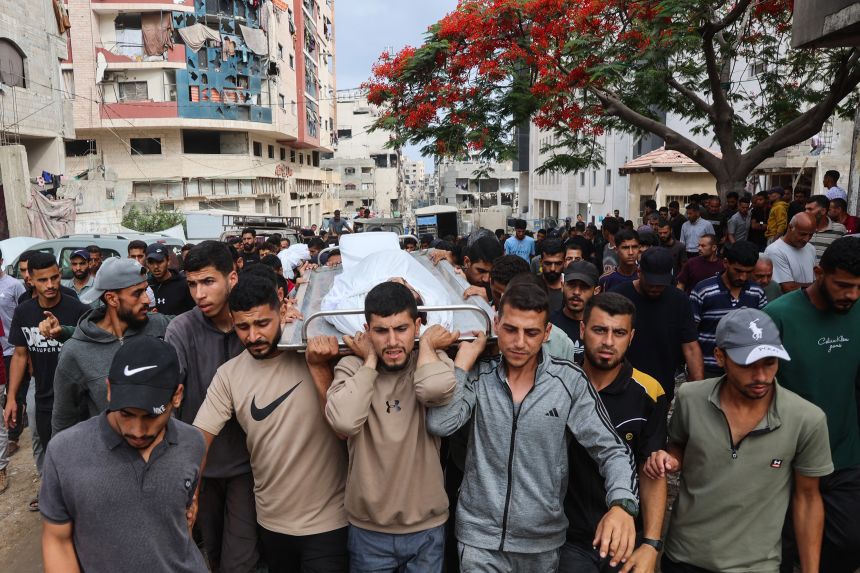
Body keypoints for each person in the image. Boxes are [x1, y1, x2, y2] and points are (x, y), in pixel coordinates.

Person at [426, 281, 639, 571]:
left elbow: (612, 450)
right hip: (479, 539)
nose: (519, 342)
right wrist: (461, 366)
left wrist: (622, 504)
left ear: (547, 333)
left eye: (531, 332)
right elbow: (441, 424)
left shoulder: (568, 381)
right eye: (511, 329)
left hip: (541, 543)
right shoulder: (479, 375)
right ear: (496, 324)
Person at [645, 308, 832, 573]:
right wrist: (670, 459)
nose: (761, 376)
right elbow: (679, 445)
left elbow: (808, 499)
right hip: (684, 558)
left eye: (770, 362)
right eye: (748, 364)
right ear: (720, 356)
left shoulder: (806, 419)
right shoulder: (690, 398)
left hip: (757, 566)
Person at [193, 274, 349, 571]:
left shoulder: (317, 352)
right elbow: (199, 440)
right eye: (243, 327)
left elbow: (343, 427)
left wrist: (319, 367)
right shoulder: (229, 375)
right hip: (271, 524)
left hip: (330, 523)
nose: (253, 336)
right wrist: (190, 496)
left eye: (262, 323)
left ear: (283, 310)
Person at [40, 335, 208, 573]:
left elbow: (182, 519)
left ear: (177, 396)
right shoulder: (64, 452)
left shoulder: (193, 442)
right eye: (126, 414)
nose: (137, 431)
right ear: (109, 390)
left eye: (151, 416)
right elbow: (57, 540)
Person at [320, 282, 456, 571]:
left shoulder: (430, 361)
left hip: (426, 529)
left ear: (417, 326)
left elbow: (433, 390)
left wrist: (427, 345)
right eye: (381, 331)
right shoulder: (352, 368)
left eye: (401, 329)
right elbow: (344, 421)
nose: (392, 341)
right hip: (368, 532)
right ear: (367, 331)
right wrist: (370, 359)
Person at [765, 237, 860, 572]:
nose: (852, 295)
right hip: (788, 459)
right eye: (843, 285)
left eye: (859, 287)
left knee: (850, 542)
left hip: (845, 454)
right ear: (819, 273)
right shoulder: (778, 317)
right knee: (783, 547)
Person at [164, 241, 259, 573]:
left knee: (241, 559)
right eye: (192, 284)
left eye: (208, 282)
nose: (199, 294)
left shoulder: (255, 324)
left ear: (232, 277)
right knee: (212, 554)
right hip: (199, 468)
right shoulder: (181, 330)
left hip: (249, 466)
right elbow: (170, 395)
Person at [560, 293, 668, 573]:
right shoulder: (557, 382)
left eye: (619, 333)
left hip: (624, 536)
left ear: (631, 337)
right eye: (599, 330)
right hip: (563, 539)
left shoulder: (649, 392)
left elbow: (651, 471)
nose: (608, 341)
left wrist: (651, 544)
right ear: (582, 330)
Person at [51, 257, 170, 434]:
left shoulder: (159, 325)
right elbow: (64, 420)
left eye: (146, 290)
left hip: (163, 447)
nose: (147, 300)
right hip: (109, 449)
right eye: (137, 293)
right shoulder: (75, 352)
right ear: (112, 299)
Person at [3, 252, 88, 470]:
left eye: (54, 277)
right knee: (52, 454)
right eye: (42, 280)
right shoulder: (24, 312)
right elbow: (20, 355)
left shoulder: (78, 309)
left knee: (80, 457)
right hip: (44, 398)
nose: (50, 285)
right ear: (30, 280)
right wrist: (11, 398)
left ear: (60, 274)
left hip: (77, 399)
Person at [611, 248, 703, 401]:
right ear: (639, 272)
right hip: (621, 386)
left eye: (661, 284)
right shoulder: (618, 297)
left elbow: (691, 348)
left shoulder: (679, 300)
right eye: (651, 282)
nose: (655, 288)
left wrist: (699, 390)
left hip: (661, 389)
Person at [690, 241, 767, 378]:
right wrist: (697, 374)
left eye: (748, 272)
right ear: (726, 263)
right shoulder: (703, 290)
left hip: (743, 371)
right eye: (738, 271)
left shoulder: (757, 293)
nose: (743, 277)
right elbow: (690, 336)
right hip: (708, 370)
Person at [0, 247, 25, 463]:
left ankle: (13, 436)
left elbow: (23, 313)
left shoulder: (14, 285)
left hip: (11, 348)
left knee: (12, 392)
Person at [550, 261, 600, 365]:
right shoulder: (549, 325)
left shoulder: (602, 329)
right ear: (562, 286)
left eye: (584, 287)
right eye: (571, 285)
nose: (576, 292)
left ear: (596, 291)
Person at [764, 213, 817, 294]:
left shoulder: (810, 248)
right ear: (790, 227)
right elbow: (787, 288)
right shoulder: (775, 251)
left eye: (811, 235)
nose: (806, 239)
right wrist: (817, 287)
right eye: (802, 234)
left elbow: (814, 279)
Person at [146, 244, 196, 316]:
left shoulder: (184, 284)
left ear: (168, 261)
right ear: (146, 263)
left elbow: (195, 314)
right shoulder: (146, 286)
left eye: (160, 261)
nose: (156, 266)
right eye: (151, 262)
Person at [805, 194, 846, 263]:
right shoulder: (802, 228)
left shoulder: (839, 230)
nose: (806, 212)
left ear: (823, 211)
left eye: (810, 209)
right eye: (805, 209)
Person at [537, 238, 565, 312]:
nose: (553, 269)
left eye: (558, 264)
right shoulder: (531, 285)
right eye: (548, 263)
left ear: (564, 262)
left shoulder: (572, 287)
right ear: (540, 262)